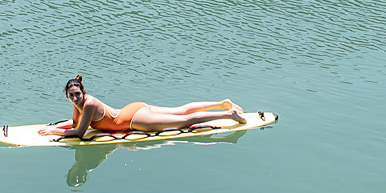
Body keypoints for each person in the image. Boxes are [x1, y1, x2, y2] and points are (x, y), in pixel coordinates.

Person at [40, 74, 246, 139]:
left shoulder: (90, 104)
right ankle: (221, 102)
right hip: (133, 109)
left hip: (134, 120)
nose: (75, 98)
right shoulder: (80, 104)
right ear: (66, 96)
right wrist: (55, 127)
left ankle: (229, 113)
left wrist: (54, 131)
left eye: (77, 94)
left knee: (184, 119)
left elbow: (80, 131)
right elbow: (75, 123)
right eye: (71, 96)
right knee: (180, 110)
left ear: (83, 93)